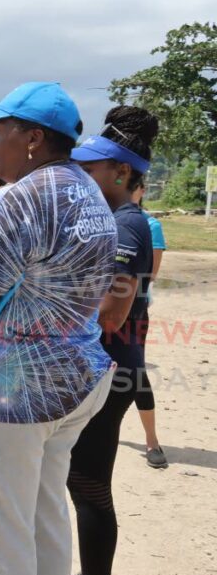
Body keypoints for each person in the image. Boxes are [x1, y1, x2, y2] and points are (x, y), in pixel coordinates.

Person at [0, 82, 116, 575]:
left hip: (10, 392)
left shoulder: (16, 202)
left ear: (33, 138)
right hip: (73, 379)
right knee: (43, 513)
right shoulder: (88, 192)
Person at [67, 107, 162, 575]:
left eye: (91, 168)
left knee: (88, 485)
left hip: (111, 370)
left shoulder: (127, 224)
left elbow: (111, 313)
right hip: (104, 367)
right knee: (81, 483)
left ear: (123, 172)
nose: (82, 175)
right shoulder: (112, 218)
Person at [130, 181, 167, 468]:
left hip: (134, 310)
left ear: (141, 190)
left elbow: (150, 274)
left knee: (135, 373)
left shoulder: (150, 225)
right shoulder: (101, 219)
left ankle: (152, 440)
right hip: (94, 310)